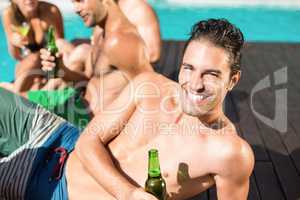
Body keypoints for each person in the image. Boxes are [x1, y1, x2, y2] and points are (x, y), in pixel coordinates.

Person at [0, 18, 254, 200]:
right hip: (56, 135)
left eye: (210, 74)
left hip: (49, 189)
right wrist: (128, 193)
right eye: (188, 68)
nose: (195, 84)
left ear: (233, 80)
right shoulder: (149, 85)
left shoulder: (229, 153)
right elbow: (89, 140)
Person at [1, 0, 64, 92]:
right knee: (32, 60)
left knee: (37, 58)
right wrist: (13, 42)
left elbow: (60, 47)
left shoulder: (50, 11)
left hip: (50, 65)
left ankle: (11, 89)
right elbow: (17, 56)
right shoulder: (9, 15)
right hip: (27, 70)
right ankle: (17, 91)